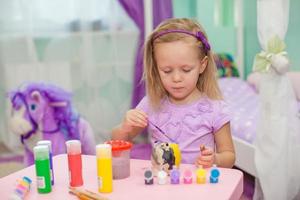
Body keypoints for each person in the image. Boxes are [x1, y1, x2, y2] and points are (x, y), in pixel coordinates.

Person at [112, 18, 235, 168]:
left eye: (186, 70)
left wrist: (215, 159)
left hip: (199, 186)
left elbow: (229, 155)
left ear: (202, 65)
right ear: (156, 68)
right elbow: (118, 142)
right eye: (167, 71)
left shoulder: (215, 108)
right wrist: (125, 128)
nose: (176, 78)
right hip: (163, 184)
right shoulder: (151, 103)